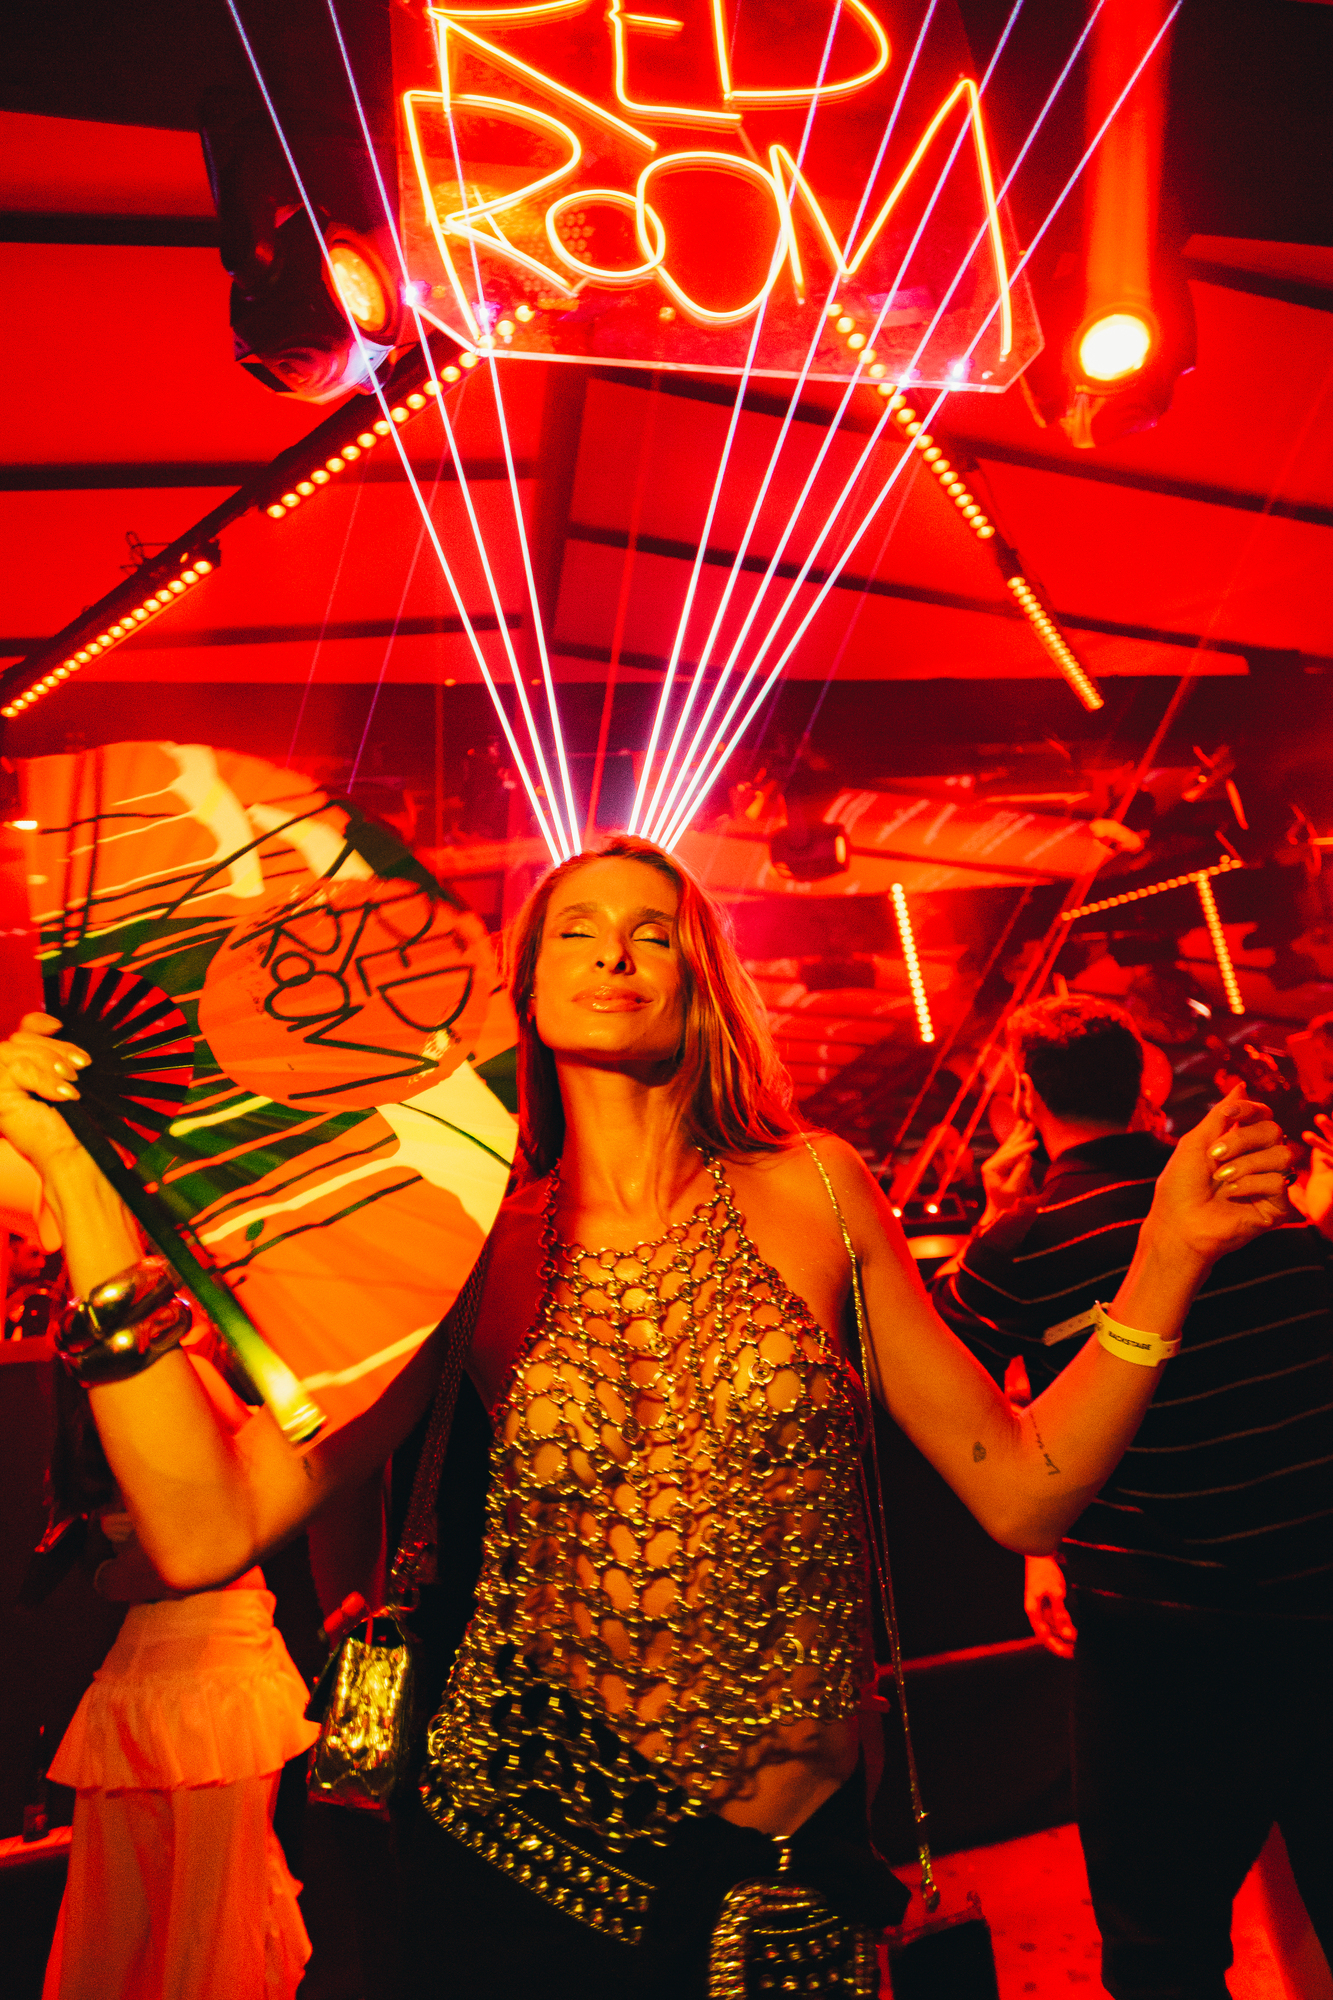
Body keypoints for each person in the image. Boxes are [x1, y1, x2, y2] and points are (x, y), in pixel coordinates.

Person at [0, 839, 1295, 2000]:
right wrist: (80, 1187)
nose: (614, 951)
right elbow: (206, 1521)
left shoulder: (819, 1190)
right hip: (532, 1865)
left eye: (651, 930)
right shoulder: (463, 1244)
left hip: (796, 1875)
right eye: (576, 928)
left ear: (700, 977)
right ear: (527, 988)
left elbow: (1024, 1488)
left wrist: (1167, 1259)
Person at [932, 993, 1333, 2000]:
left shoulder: (1019, 1248)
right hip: (1316, 1607)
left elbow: (942, 1396)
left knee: (1163, 1950)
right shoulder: (1260, 1201)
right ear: (1147, 1087)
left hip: (1163, 1649)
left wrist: (993, 1222)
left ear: (1023, 1100)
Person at [38, 1332, 319, 2000]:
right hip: (206, 1668)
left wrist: (118, 1574)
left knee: (134, 1910)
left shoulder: (107, 1390)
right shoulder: (182, 1372)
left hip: (153, 1671)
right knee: (211, 1904)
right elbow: (282, 1469)